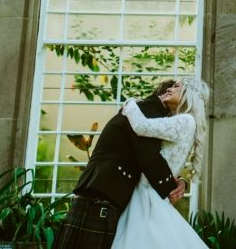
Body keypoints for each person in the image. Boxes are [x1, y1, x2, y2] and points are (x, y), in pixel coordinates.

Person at [53, 80, 188, 249]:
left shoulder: (143, 110)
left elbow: (149, 155)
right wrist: (170, 188)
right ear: (164, 93)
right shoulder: (147, 111)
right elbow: (150, 158)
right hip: (100, 198)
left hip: (98, 196)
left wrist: (180, 180)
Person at [111, 77, 210, 249]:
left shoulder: (185, 120)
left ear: (189, 95)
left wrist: (130, 102)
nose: (170, 89)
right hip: (151, 195)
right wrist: (181, 181)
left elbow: (141, 126)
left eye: (176, 87)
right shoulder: (183, 122)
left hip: (146, 196)